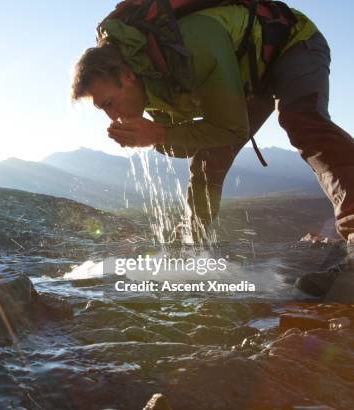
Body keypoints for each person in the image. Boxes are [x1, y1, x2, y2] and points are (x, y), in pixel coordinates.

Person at [70, 2, 354, 298]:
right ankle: (189, 252)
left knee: (303, 121)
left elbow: (231, 128)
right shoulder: (150, 85)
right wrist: (154, 137)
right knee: (209, 159)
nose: (112, 117)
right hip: (248, 77)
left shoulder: (192, 46)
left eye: (108, 104)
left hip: (292, 43)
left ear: (126, 76)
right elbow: (187, 145)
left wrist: (159, 133)